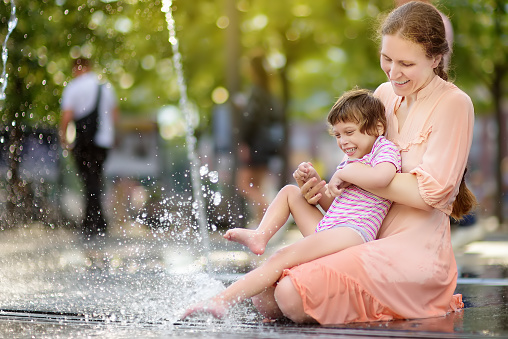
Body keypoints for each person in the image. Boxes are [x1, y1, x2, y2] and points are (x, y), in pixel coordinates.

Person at [250, 1, 475, 324]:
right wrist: (324, 194)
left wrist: (357, 174)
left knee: (289, 294)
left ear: (436, 58)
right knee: (266, 296)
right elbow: (355, 191)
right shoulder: (384, 94)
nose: (394, 72)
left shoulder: (454, 104)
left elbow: (432, 195)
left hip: (414, 253)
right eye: (387, 59)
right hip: (365, 235)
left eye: (406, 64)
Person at [182, 88, 402, 319]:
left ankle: (221, 301)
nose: (343, 141)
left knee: (281, 257)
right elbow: (335, 201)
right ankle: (260, 235)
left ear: (377, 128)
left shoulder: (382, 149)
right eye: (337, 135)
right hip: (333, 226)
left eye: (349, 132)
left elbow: (383, 177)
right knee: (289, 191)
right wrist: (315, 185)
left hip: (353, 233)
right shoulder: (350, 159)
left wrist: (347, 172)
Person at [59, 57, 119, 245]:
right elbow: (115, 115)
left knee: (88, 180)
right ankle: (98, 222)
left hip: (84, 142)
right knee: (96, 178)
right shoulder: (106, 87)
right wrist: (114, 136)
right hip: (104, 142)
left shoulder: (73, 87)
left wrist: (63, 138)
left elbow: (67, 115)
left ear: (76, 69)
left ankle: (90, 224)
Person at [236, 51, 283, 226]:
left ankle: (272, 212)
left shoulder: (254, 92)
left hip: (255, 144)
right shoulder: (269, 91)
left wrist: (244, 142)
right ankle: (262, 225)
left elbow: (250, 119)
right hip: (267, 145)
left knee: (244, 184)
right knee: (258, 186)